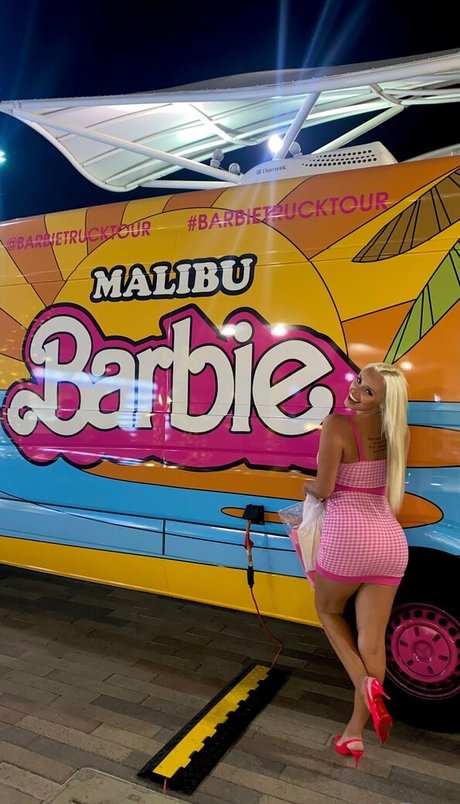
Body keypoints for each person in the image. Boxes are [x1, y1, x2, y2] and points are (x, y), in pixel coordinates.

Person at [304, 362, 409, 768]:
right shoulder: (398, 432)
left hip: (348, 540)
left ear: (382, 402)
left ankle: (363, 682)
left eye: (368, 391)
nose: (356, 390)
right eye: (359, 381)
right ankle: (353, 733)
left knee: (328, 611)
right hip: (390, 542)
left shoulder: (337, 424)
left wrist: (306, 486)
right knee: (372, 640)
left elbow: (324, 488)